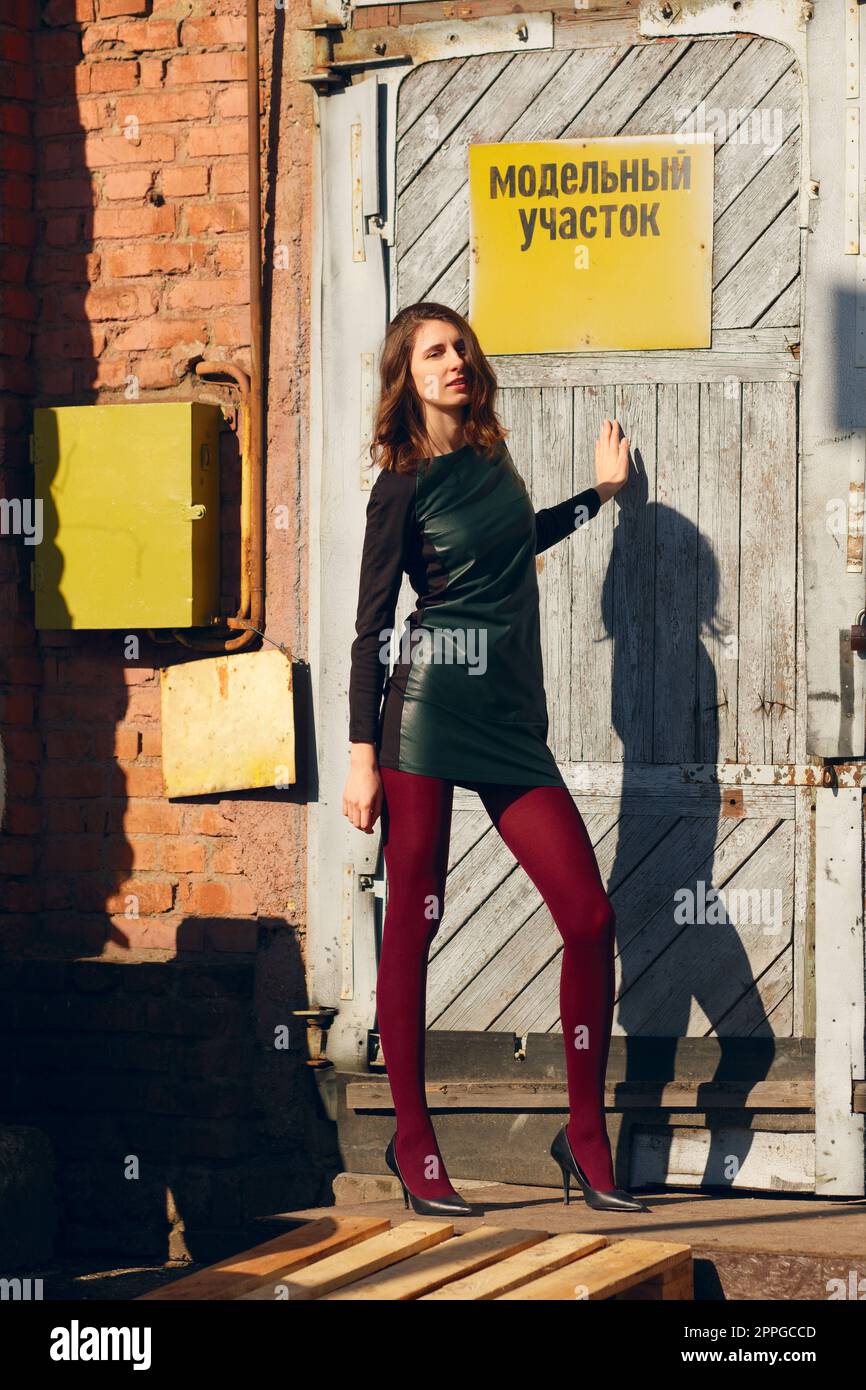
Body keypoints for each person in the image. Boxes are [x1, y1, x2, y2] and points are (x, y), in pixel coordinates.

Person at [342, 301, 648, 1216]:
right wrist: (362, 756)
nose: (455, 361)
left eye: (462, 348)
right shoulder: (399, 487)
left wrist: (598, 498)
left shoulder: (489, 459)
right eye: (435, 352)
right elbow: (368, 631)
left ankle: (584, 1137)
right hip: (428, 715)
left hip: (511, 721)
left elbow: (517, 544)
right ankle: (413, 1142)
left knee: (589, 918)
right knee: (414, 924)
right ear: (407, 373)